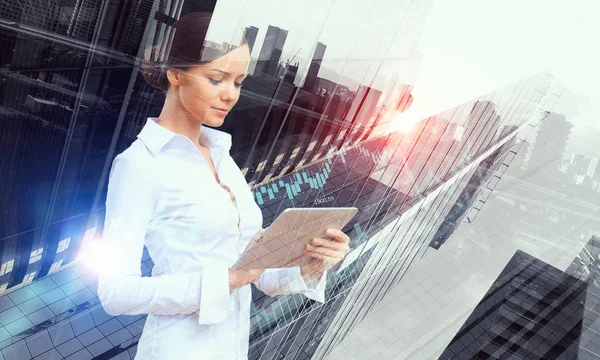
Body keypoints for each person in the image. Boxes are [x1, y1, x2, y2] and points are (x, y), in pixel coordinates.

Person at [96, 12, 351, 360]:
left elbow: (258, 274)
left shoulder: (221, 155)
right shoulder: (139, 165)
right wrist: (228, 279)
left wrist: (313, 262)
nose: (231, 95)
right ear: (175, 74)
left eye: (239, 81)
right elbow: (116, 293)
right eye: (217, 79)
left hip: (231, 347)